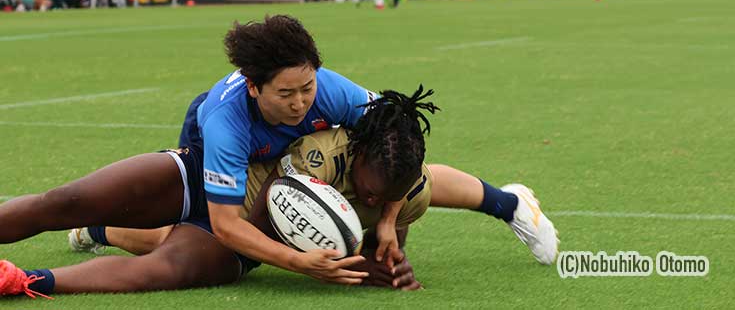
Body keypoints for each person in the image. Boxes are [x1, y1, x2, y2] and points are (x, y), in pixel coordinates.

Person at [0, 87, 436, 297]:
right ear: (255, 86)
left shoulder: (360, 112)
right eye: (288, 92)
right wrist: (312, 263)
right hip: (221, 197)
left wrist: (385, 237)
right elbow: (244, 224)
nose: (302, 101)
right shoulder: (305, 150)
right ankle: (98, 226)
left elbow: (411, 150)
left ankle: (25, 281)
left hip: (243, 234)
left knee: (160, 272)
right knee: (64, 201)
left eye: (307, 88)